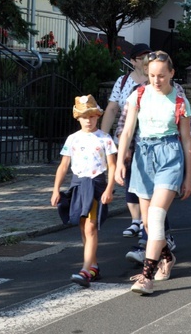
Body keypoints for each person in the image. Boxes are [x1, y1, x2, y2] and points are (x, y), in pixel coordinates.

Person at [115, 51, 191, 295]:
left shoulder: (180, 101)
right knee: (148, 222)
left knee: (157, 217)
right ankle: (166, 256)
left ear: (171, 73)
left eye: (161, 75)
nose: (156, 80)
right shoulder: (138, 95)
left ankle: (146, 277)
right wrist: (119, 162)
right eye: (151, 75)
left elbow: (187, 141)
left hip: (170, 154)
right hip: (143, 155)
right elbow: (127, 132)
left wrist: (189, 177)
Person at [51, 95, 117, 287]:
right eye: (84, 116)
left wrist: (110, 188)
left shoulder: (105, 138)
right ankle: (93, 265)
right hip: (78, 184)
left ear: (98, 116)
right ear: (77, 118)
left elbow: (112, 165)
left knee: (91, 226)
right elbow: (63, 166)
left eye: (92, 116)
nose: (88, 120)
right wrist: (56, 189)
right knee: (82, 226)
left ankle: (85, 269)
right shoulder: (73, 139)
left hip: (95, 184)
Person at [101, 43, 150, 239]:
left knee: (145, 180)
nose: (146, 60)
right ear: (132, 61)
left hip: (146, 138)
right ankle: (136, 220)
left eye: (149, 56)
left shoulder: (155, 80)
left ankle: (147, 222)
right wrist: (102, 139)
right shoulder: (122, 82)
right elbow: (112, 109)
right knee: (129, 178)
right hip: (125, 136)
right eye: (141, 57)